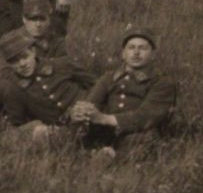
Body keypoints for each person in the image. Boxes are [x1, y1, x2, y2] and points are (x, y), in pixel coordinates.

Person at [70, 26, 177, 155]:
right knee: (73, 131)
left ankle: (106, 157)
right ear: (123, 54)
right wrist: (82, 112)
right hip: (106, 131)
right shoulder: (109, 77)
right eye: (131, 47)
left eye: (142, 48)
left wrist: (104, 118)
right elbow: (93, 101)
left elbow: (145, 116)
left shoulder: (162, 83)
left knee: (143, 142)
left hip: (137, 133)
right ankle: (92, 153)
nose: (136, 53)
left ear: (153, 54)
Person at [0, 30, 89, 140]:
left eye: (25, 56)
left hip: (93, 113)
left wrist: (88, 106)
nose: (22, 64)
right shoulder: (17, 90)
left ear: (33, 51)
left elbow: (96, 84)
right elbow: (17, 123)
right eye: (14, 61)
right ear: (9, 65)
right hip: (67, 131)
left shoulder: (62, 65)